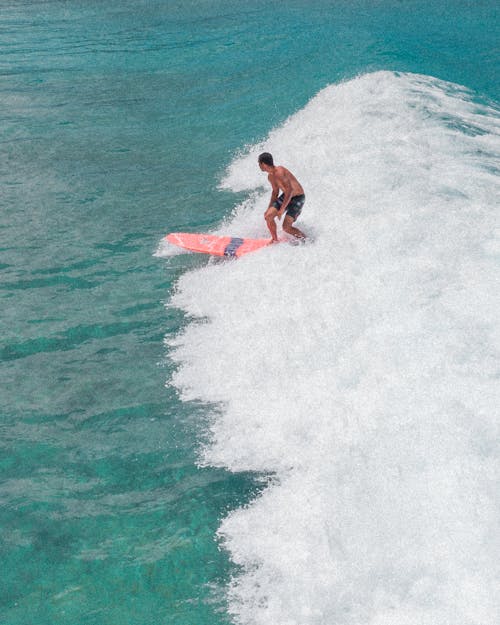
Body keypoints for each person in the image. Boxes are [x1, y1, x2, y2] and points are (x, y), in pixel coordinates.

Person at [258, 152, 306, 242]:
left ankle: (306, 240)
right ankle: (275, 240)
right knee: (268, 216)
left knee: (286, 228)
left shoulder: (280, 171)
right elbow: (275, 193)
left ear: (263, 164)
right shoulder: (270, 177)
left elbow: (290, 190)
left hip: (298, 198)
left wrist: (281, 210)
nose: (259, 165)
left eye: (259, 163)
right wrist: (269, 208)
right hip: (287, 196)